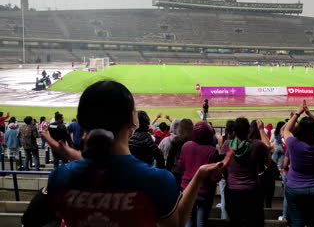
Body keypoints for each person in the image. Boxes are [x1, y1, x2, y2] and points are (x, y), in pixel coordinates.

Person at [31, 80, 223, 227]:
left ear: (82, 121)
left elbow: (99, 168)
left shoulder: (59, 177)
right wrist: (199, 176)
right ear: (133, 119)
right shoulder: (156, 180)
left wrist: (68, 152)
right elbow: (177, 222)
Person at [283, 100, 314, 227]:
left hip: (295, 188)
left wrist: (298, 113)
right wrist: (310, 113)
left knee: (297, 222)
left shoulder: (293, 143)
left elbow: (286, 130)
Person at [221, 117, 269, 227]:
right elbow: (268, 147)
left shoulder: (227, 144)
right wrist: (261, 130)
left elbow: (222, 167)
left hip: (232, 191)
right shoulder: (257, 144)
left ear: (234, 131)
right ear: (249, 130)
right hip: (252, 191)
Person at [179, 121, 219, 227]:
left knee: (188, 220)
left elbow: (181, 166)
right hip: (205, 191)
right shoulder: (212, 151)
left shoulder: (186, 146)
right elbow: (215, 175)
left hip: (187, 188)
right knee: (201, 222)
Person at [166, 119, 194, 186]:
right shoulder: (194, 140)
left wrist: (168, 170)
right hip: (190, 172)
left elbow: (170, 158)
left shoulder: (176, 140)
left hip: (177, 172)